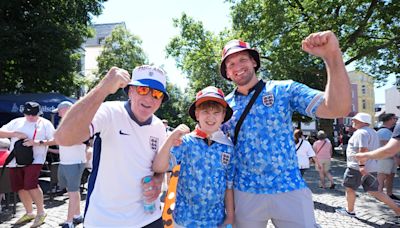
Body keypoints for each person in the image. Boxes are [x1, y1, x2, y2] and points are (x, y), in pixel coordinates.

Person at [220, 31, 351, 227]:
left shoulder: (284, 90)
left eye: (242, 59)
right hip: (245, 193)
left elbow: (337, 108)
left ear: (254, 62)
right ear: (227, 73)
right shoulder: (221, 108)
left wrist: (332, 56)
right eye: (231, 64)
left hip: (289, 188)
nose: (238, 66)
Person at [54, 65, 168, 227]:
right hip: (106, 220)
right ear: (130, 91)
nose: (149, 99)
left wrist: (157, 181)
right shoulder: (109, 111)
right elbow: (63, 137)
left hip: (150, 218)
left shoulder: (158, 126)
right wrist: (104, 87)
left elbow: (158, 167)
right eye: (143, 90)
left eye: (157, 94)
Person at [152, 86, 235, 227]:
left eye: (216, 112)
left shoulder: (227, 147)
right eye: (205, 112)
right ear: (197, 114)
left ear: (223, 116)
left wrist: (231, 217)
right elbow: (158, 167)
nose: (211, 117)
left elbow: (229, 186)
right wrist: (171, 138)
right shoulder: (185, 142)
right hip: (184, 220)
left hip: (216, 221)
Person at [0, 101, 56, 227]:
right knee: (19, 187)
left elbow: (55, 140)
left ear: (39, 113)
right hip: (16, 159)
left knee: (31, 185)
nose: (30, 117)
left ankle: (41, 213)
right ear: (24, 112)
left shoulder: (45, 124)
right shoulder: (17, 121)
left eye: (34, 114)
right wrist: (14, 134)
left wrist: (36, 142)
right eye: (28, 114)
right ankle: (29, 212)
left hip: (36, 159)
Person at [335, 113, 400, 217]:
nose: (353, 121)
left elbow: (363, 149)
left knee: (350, 188)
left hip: (357, 167)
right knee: (375, 191)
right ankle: (397, 209)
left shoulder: (361, 132)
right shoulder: (373, 132)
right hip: (372, 166)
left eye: (355, 120)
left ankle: (350, 211)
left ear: (362, 121)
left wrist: (361, 166)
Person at [52, 101, 89, 228]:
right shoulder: (65, 123)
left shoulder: (77, 122)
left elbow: (84, 141)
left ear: (66, 109)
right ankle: (77, 216)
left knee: (72, 192)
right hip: (66, 162)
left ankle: (69, 222)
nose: (58, 113)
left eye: (59, 111)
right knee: (72, 191)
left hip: (75, 162)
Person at [376, 113, 399, 200]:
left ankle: (389, 194)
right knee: (382, 177)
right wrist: (395, 157)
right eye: (394, 118)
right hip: (385, 158)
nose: (396, 120)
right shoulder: (383, 131)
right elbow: (386, 145)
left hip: (389, 158)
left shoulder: (388, 131)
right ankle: (380, 194)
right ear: (389, 119)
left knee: (390, 177)